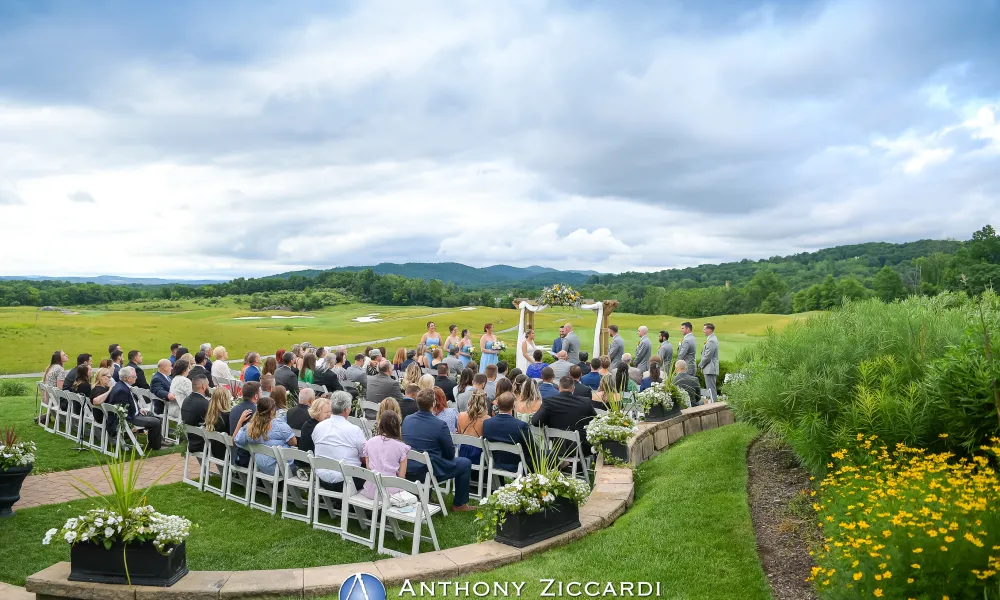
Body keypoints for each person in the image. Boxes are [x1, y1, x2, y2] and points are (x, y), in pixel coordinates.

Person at [402, 389, 475, 511]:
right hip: (428, 471)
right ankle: (460, 504)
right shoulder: (439, 424)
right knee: (465, 463)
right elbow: (450, 453)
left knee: (432, 458)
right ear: (434, 403)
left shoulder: (407, 420)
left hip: (408, 468)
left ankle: (428, 496)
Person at [312, 391, 366, 491]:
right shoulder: (354, 430)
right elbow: (364, 457)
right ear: (346, 410)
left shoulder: (318, 427)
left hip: (322, 478)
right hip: (346, 481)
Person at [531, 375, 598, 456]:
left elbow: (535, 421)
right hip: (579, 448)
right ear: (573, 388)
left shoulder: (549, 402)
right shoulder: (585, 402)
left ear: (559, 387)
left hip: (556, 446)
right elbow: (595, 421)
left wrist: (549, 423)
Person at [234, 395, 296, 476]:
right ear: (272, 411)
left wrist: (240, 423)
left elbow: (237, 440)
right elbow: (294, 442)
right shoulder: (280, 426)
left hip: (261, 466)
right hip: (281, 468)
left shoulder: (250, 427)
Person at [108, 366, 163, 450]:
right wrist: (137, 414)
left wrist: (139, 410)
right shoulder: (121, 390)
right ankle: (154, 447)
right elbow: (125, 411)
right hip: (130, 419)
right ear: (127, 378)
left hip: (133, 413)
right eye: (134, 377)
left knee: (152, 415)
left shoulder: (122, 385)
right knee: (156, 421)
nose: (136, 378)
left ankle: (157, 441)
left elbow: (129, 403)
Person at [361, 411, 411, 500]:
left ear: (380, 425)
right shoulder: (402, 447)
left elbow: (368, 468)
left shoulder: (369, 443)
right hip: (391, 491)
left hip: (371, 489)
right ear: (397, 426)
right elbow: (402, 477)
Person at [484, 392, 536, 473]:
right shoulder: (521, 426)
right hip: (518, 465)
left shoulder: (487, 423)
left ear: (497, 404)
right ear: (513, 406)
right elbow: (532, 449)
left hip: (495, 464)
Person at [229, 382, 260, 467]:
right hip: (248, 456)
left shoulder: (234, 409)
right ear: (256, 396)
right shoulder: (256, 412)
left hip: (234, 453)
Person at [180, 374, 212, 454]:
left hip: (191, 440)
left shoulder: (186, 400)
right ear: (204, 387)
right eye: (208, 385)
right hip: (202, 443)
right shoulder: (204, 403)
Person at [456, 389, 490, 464]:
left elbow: (459, 433)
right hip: (479, 456)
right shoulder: (487, 419)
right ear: (485, 403)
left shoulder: (461, 415)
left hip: (463, 453)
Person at [201, 387, 232, 459]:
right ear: (225, 400)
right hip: (225, 452)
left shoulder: (210, 415)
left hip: (213, 449)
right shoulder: (227, 416)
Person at [699, 323, 720, 403]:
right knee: (710, 388)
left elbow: (707, 356)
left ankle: (713, 404)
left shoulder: (711, 340)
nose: (703, 331)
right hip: (709, 367)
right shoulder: (711, 339)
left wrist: (701, 365)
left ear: (709, 330)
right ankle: (712, 403)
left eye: (704, 329)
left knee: (710, 389)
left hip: (710, 367)